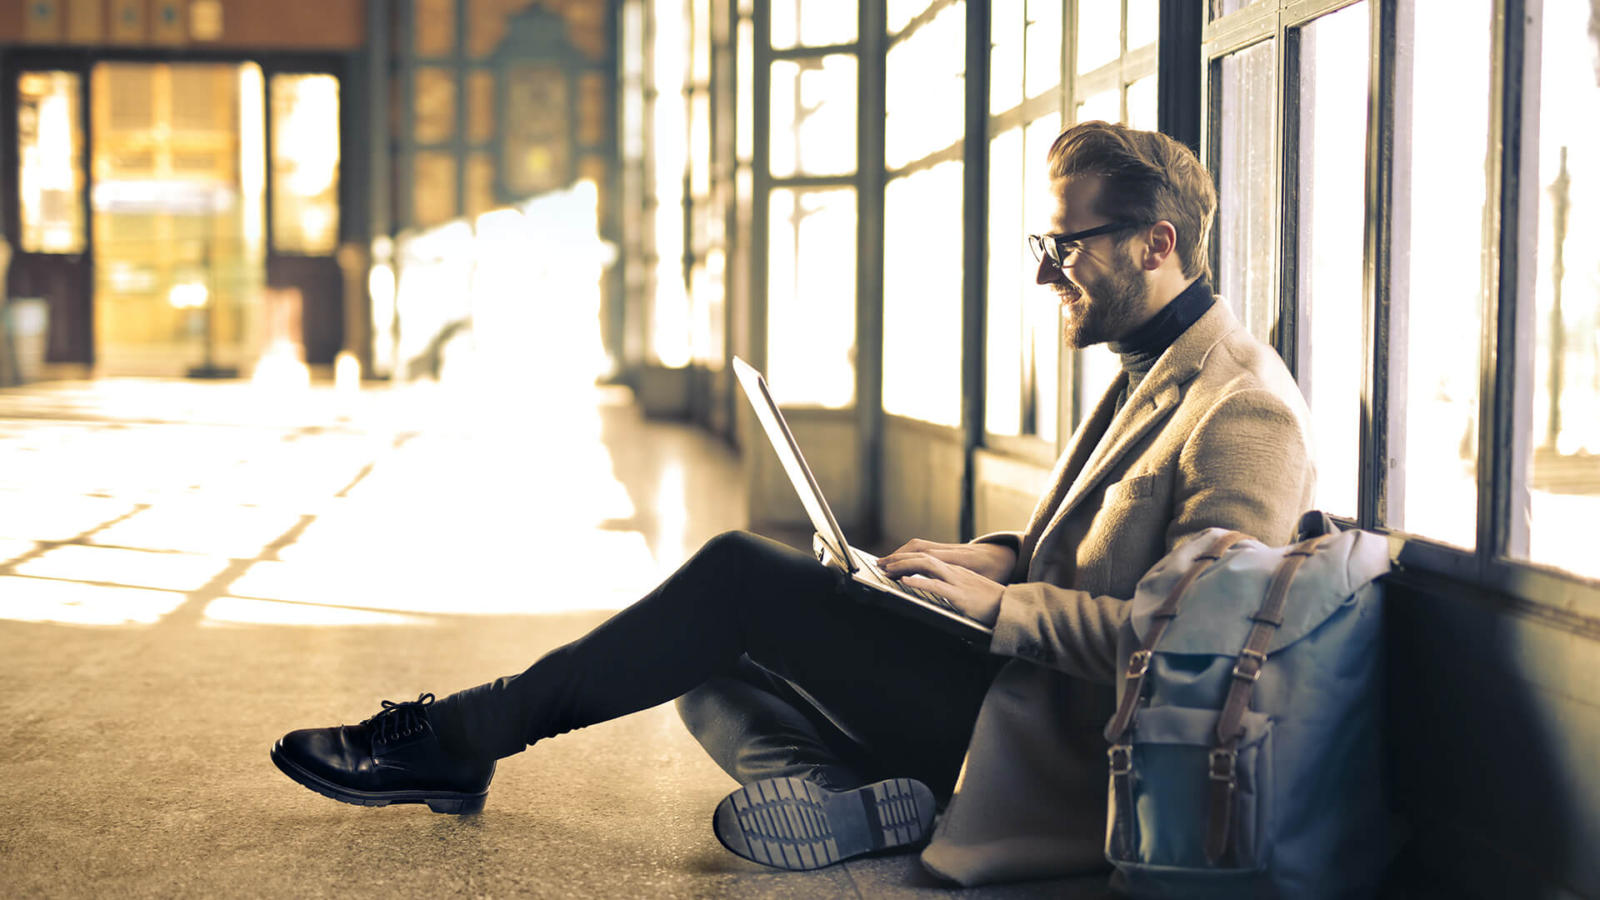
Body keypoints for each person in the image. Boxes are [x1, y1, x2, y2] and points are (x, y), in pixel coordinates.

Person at [270, 121, 1314, 886]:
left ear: (1157, 242)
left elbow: (1194, 654)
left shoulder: (1241, 409)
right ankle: (844, 800)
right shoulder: (1154, 363)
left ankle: (459, 737)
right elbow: (1095, 549)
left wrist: (996, 609)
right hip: (1001, 684)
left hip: (1047, 740)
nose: (1047, 275)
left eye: (1065, 247)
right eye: (1042, 249)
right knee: (693, 667)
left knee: (735, 576)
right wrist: (990, 558)